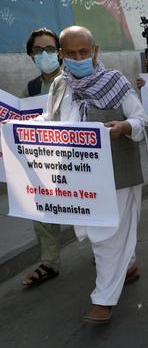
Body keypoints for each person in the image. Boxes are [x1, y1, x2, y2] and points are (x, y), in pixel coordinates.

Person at [34, 26, 145, 322]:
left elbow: (140, 118)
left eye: (83, 52)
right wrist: (22, 129)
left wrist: (124, 127)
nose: (78, 58)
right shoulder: (60, 84)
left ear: (95, 51)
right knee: (100, 233)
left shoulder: (116, 82)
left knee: (107, 236)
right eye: (70, 53)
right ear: (61, 55)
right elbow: (50, 118)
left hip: (117, 174)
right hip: (79, 177)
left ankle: (103, 299)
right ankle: (129, 265)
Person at [20, 28, 68, 288]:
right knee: (42, 210)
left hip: (76, 159)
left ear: (60, 52)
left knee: (87, 209)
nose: (45, 54)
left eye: (50, 49)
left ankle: (106, 258)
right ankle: (49, 262)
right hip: (45, 160)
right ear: (31, 56)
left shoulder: (73, 79)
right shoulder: (32, 88)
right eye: (38, 51)